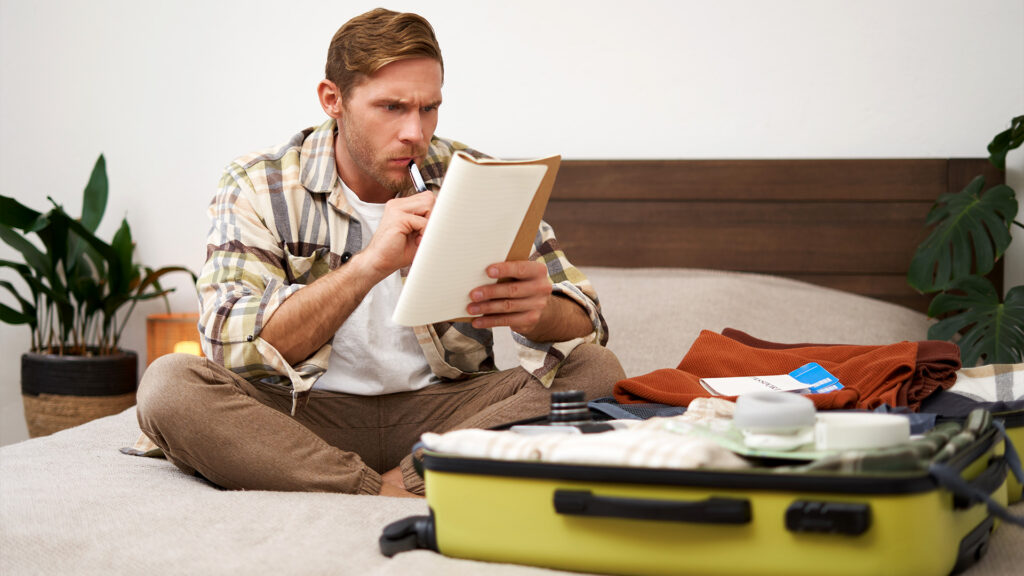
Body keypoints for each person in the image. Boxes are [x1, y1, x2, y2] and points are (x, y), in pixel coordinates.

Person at [135, 8, 624, 497]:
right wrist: (371, 265)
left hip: (446, 413)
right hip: (302, 416)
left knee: (598, 374)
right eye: (392, 107)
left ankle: (402, 477)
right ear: (333, 99)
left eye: (428, 108)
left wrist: (542, 314)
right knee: (169, 386)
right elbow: (230, 345)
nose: (415, 131)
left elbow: (589, 325)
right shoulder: (259, 183)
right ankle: (384, 489)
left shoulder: (470, 176)